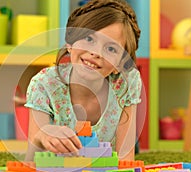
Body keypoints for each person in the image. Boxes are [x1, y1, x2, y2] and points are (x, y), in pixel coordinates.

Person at [24, 0, 142, 161]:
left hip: (107, 152)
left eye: (111, 49)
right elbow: (31, 160)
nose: (96, 52)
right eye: (89, 39)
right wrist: (41, 136)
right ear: (70, 43)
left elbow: (125, 160)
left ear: (119, 65)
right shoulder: (44, 84)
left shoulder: (127, 81)